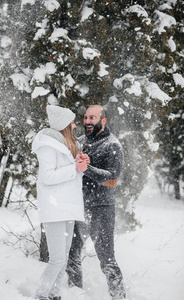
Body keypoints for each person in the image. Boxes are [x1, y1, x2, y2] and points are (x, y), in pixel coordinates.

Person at [66, 105, 126, 300]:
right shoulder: (80, 142)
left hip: (101, 209)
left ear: (103, 120)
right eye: (85, 117)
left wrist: (87, 168)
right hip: (77, 207)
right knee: (72, 257)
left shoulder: (112, 144)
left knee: (107, 260)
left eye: (92, 117)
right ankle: (76, 295)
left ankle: (119, 297)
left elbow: (112, 179)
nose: (87, 121)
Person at [32, 105, 89, 300]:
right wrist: (75, 168)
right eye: (72, 122)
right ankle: (41, 295)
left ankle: (54, 295)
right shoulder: (48, 146)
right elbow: (47, 177)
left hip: (67, 207)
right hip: (55, 208)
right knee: (56, 259)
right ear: (64, 124)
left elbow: (71, 172)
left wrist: (80, 163)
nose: (75, 126)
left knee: (62, 259)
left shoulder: (65, 145)